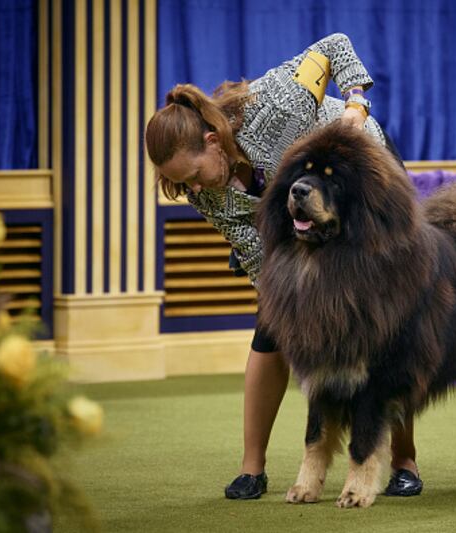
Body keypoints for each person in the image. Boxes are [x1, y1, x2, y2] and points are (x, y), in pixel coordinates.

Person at [145, 33, 422, 500]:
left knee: (387, 326)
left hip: (365, 181)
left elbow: (335, 45)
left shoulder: (276, 106)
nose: (192, 188)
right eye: (181, 184)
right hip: (298, 223)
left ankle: (404, 460)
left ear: (213, 143)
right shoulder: (203, 192)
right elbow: (256, 251)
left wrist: (355, 104)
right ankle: (253, 468)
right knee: (269, 329)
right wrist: (283, 301)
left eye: (192, 174)